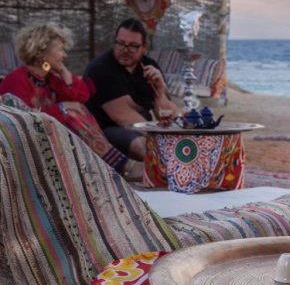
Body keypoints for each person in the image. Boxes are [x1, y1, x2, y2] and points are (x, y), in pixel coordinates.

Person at [0, 22, 143, 179]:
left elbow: (82, 97)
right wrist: (61, 108)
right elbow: (21, 119)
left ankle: (111, 166)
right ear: (42, 52)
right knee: (70, 113)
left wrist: (63, 71)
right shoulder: (16, 79)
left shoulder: (49, 78)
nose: (64, 55)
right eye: (60, 50)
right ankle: (121, 166)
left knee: (78, 109)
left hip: (53, 138)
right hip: (25, 142)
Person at [84, 18, 178, 160]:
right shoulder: (101, 69)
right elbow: (124, 118)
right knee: (142, 145)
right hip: (106, 130)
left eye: (133, 46)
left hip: (143, 127)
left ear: (144, 47)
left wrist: (160, 90)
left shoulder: (149, 66)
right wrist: (163, 139)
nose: (125, 50)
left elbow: (167, 116)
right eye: (120, 44)